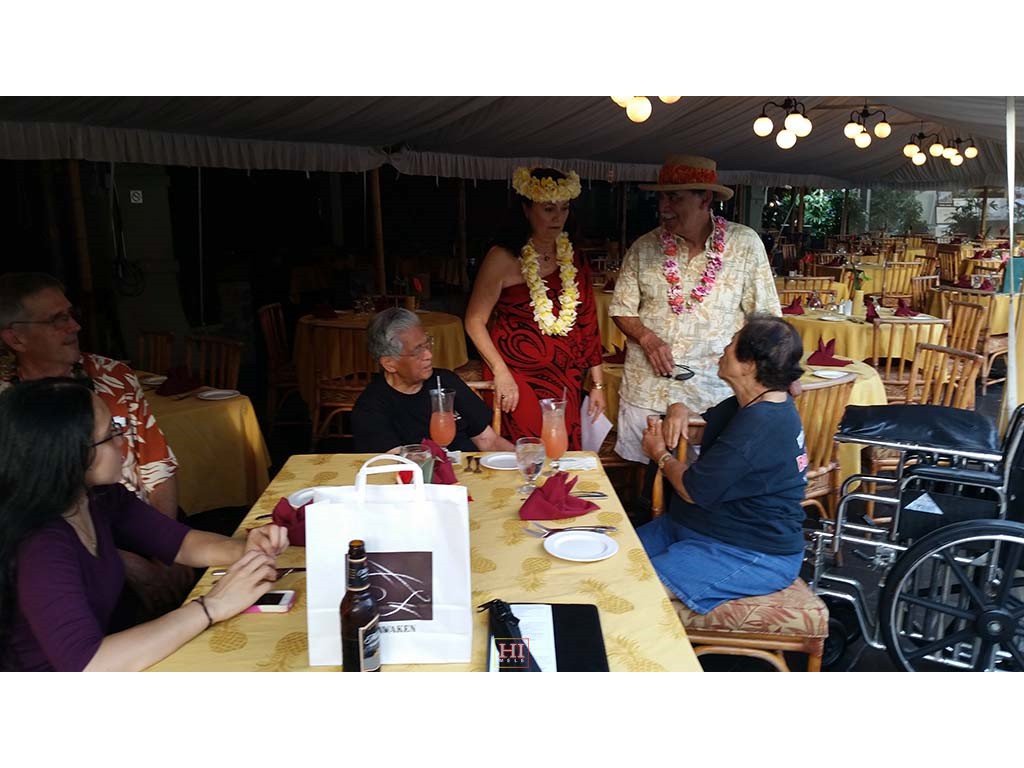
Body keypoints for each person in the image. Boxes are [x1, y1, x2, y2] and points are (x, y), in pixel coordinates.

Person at [0, 378, 289, 671]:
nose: (121, 441)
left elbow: (179, 542)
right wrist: (212, 605)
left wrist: (243, 549)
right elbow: (89, 665)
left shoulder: (97, 497)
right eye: (110, 434)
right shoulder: (40, 545)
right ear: (71, 455)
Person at [0, 272, 190, 617]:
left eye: (71, 314)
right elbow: (23, 516)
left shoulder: (113, 377)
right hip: (72, 544)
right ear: (16, 338)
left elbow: (157, 467)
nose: (74, 326)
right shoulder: (9, 406)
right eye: (57, 320)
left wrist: (165, 549)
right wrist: (122, 562)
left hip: (141, 520)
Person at [608, 155, 781, 463]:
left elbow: (766, 319)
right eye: (661, 197)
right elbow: (621, 307)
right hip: (648, 390)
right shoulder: (643, 247)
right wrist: (647, 338)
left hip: (714, 394)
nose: (664, 207)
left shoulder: (744, 244)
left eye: (675, 197)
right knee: (645, 477)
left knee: (708, 479)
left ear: (706, 199)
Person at [637, 316, 808, 613]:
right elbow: (700, 432)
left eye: (731, 344)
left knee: (633, 590)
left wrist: (660, 455)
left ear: (749, 365)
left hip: (748, 550)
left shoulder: (761, 424)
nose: (724, 350)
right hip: (697, 527)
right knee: (611, 563)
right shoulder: (752, 403)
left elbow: (692, 490)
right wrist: (678, 408)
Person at [465, 166, 605, 450]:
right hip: (517, 375)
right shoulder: (502, 258)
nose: (558, 217)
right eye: (549, 209)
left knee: (560, 450)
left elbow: (587, 322)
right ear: (526, 209)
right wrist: (500, 371)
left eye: (564, 208)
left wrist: (598, 385)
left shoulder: (573, 257)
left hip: (565, 376)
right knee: (529, 450)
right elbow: (474, 320)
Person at [352, 308, 514, 454]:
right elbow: (398, 464)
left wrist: (523, 460)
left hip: (470, 471)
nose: (429, 355)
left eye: (427, 344)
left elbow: (488, 441)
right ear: (389, 363)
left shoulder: (446, 381)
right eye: (417, 350)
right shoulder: (371, 407)